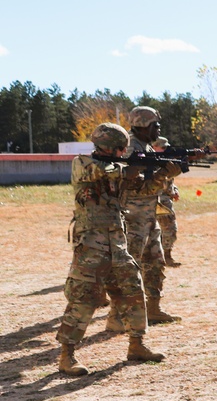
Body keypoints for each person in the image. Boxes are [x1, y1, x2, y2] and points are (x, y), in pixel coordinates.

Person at [54, 123, 166, 376]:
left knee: (133, 290)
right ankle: (66, 355)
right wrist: (133, 167)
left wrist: (165, 172)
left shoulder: (118, 169)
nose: (123, 152)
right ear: (111, 147)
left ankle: (137, 345)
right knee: (84, 296)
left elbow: (141, 189)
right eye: (120, 149)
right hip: (91, 242)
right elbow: (108, 172)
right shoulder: (83, 163)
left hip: (117, 241)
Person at [107, 106, 185, 330]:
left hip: (149, 215)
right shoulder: (131, 148)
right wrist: (165, 174)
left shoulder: (146, 146)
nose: (158, 128)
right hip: (133, 218)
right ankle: (116, 316)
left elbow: (151, 185)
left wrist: (167, 174)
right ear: (143, 125)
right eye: (155, 125)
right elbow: (135, 186)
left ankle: (153, 308)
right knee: (129, 268)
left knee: (155, 263)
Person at [152, 136, 181, 267]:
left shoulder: (164, 161)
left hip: (164, 200)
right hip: (156, 200)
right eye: (162, 147)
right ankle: (161, 257)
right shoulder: (149, 162)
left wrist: (174, 190)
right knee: (163, 230)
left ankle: (166, 255)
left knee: (169, 229)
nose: (165, 149)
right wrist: (170, 191)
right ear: (154, 147)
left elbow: (170, 182)